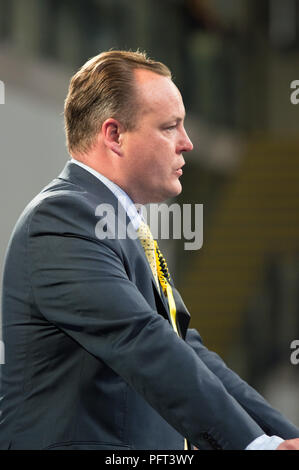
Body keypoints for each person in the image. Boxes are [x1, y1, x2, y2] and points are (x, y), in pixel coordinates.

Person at [0, 50, 299, 451]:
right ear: (114, 135)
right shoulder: (64, 217)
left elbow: (181, 347)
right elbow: (142, 340)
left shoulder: (117, 222)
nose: (187, 143)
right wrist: (253, 446)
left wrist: (283, 436)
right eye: (170, 126)